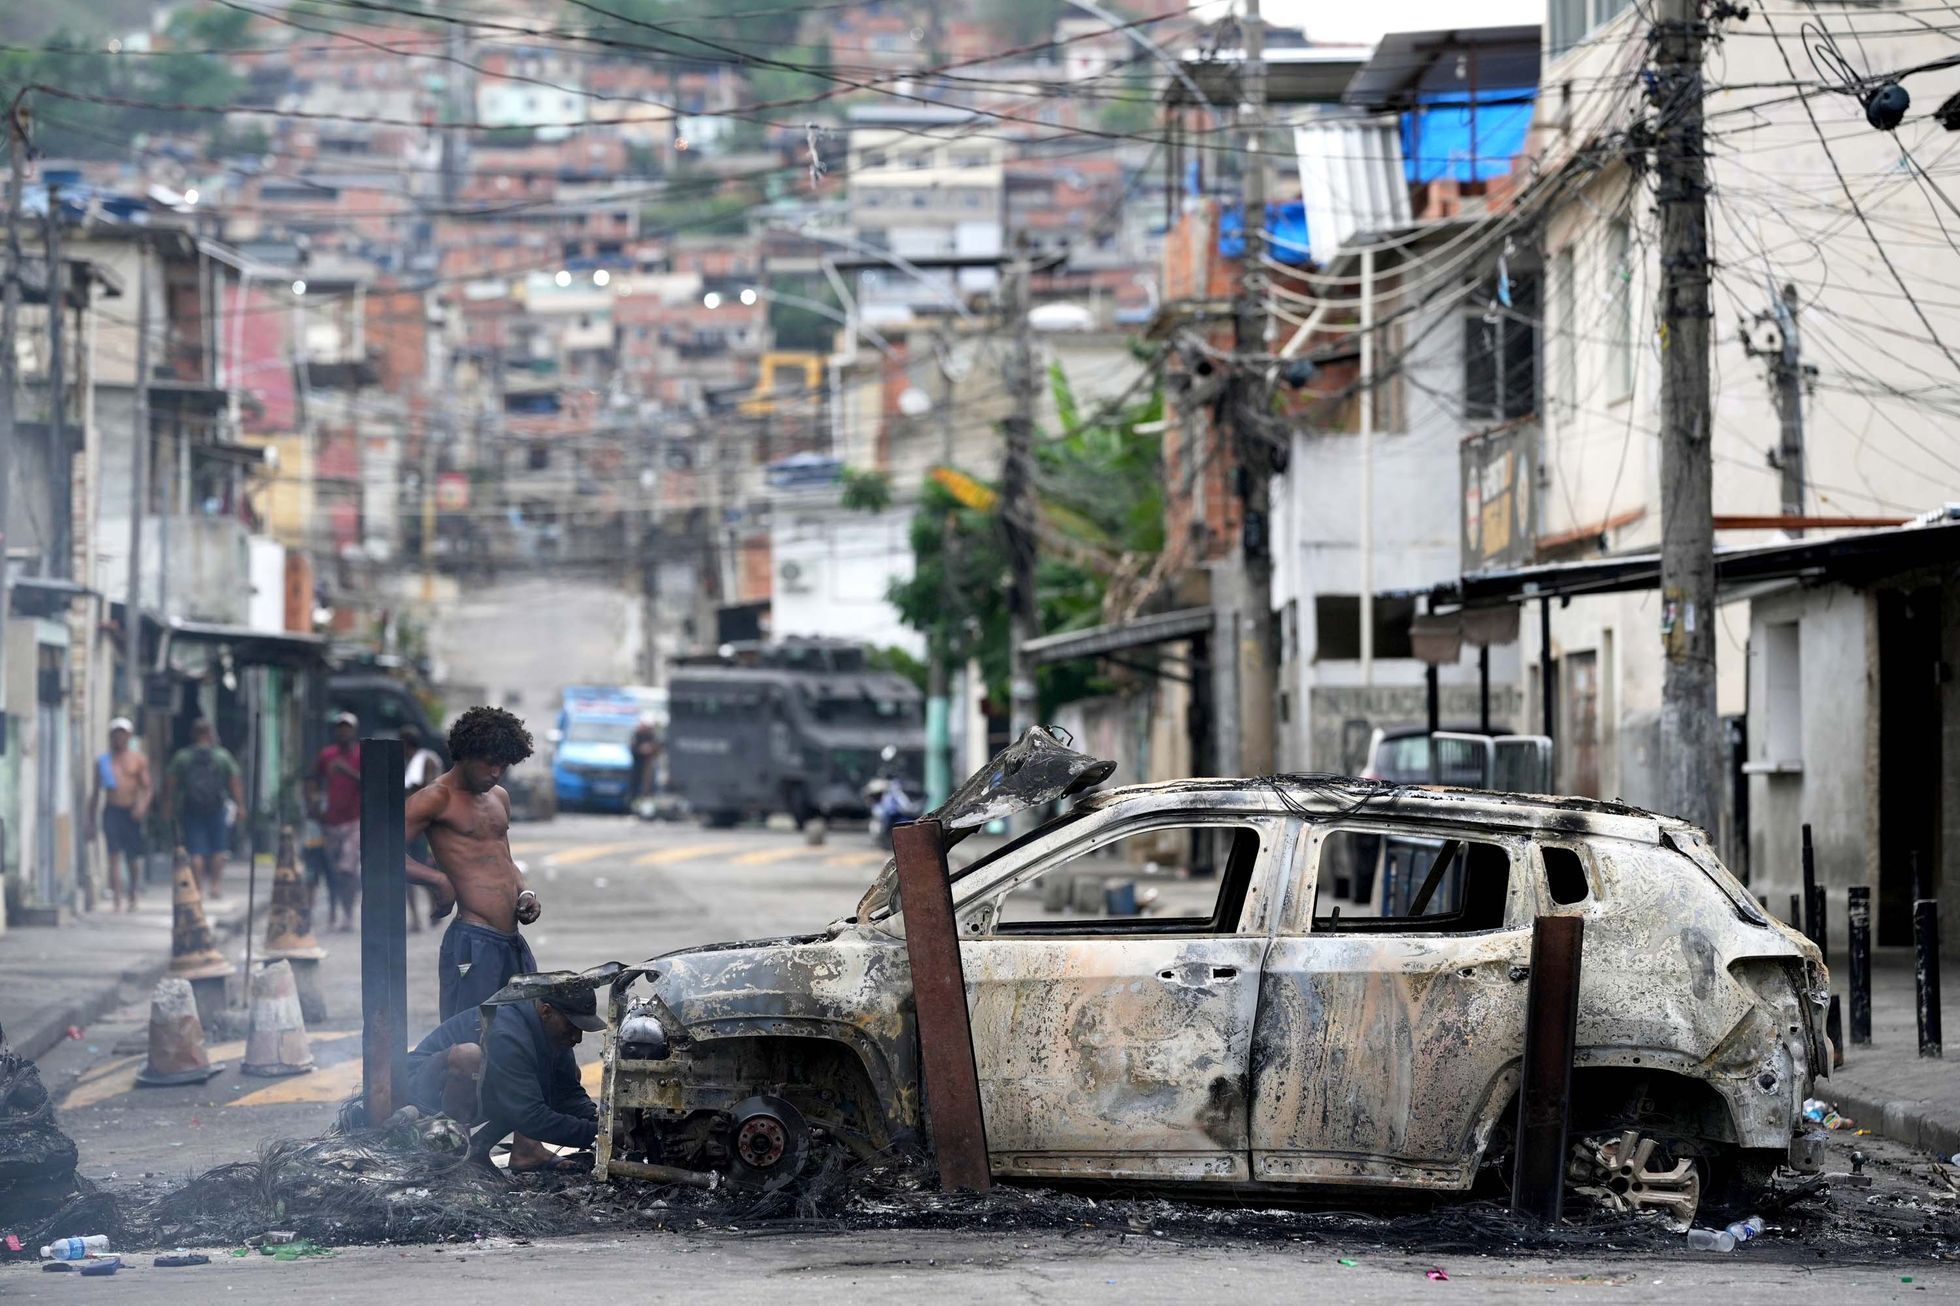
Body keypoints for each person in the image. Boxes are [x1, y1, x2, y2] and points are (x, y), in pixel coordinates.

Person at [403, 705, 541, 1020]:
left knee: (522, 1034)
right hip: (473, 941)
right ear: (466, 753)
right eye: (490, 764)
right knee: (468, 1040)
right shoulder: (435, 798)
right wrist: (437, 880)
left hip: (512, 942)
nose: (495, 773)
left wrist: (525, 893)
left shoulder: (499, 797)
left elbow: (504, 860)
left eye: (503, 766)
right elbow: (380, 854)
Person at [404, 987, 605, 1172]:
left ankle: (482, 1153)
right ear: (546, 1012)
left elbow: (567, 1093)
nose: (578, 1037)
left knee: (545, 1080)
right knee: (469, 1057)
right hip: (421, 1090)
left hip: (481, 1088)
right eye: (572, 1025)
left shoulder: (550, 1032)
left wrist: (602, 1124)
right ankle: (455, 1159)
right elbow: (530, 1118)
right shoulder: (508, 1033)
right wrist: (596, 1135)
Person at [163, 720, 245, 898]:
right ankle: (215, 886)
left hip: (191, 808)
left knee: (196, 850)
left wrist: (168, 804)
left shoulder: (183, 757)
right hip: (217, 807)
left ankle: (198, 888)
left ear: (193, 734)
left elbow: (170, 782)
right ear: (210, 734)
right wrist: (240, 805)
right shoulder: (222, 756)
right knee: (219, 848)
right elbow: (235, 781)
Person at [91, 717, 153, 912]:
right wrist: (90, 819)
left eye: (123, 734)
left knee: (132, 857)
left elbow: (147, 787)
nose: (119, 738)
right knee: (113, 854)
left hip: (131, 811)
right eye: (116, 734)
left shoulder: (137, 760)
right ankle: (117, 898)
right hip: (112, 810)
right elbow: (95, 792)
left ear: (128, 736)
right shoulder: (103, 762)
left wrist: (142, 807)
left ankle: (132, 892)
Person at [309, 713, 363, 932]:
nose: (343, 732)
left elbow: (369, 782)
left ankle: (348, 913)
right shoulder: (326, 755)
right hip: (330, 821)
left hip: (353, 820)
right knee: (331, 870)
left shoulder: (361, 755)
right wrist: (312, 804)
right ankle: (333, 911)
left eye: (347, 728)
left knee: (347, 869)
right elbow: (312, 779)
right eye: (340, 727)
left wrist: (346, 771)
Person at [401, 723, 444, 933]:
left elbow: (429, 788)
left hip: (423, 823)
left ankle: (433, 908)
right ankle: (416, 917)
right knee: (407, 870)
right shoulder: (402, 761)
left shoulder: (426, 759)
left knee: (425, 868)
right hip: (405, 822)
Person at [629, 714, 661, 807]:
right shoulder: (637, 735)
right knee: (635, 784)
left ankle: (647, 803)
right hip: (638, 764)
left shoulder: (652, 735)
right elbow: (632, 748)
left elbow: (658, 748)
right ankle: (633, 803)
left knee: (649, 786)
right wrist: (641, 749)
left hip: (649, 764)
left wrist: (651, 749)